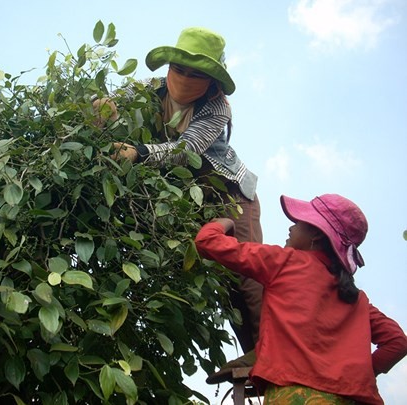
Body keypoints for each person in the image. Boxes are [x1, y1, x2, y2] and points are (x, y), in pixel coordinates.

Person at [99, 27, 264, 377]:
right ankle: (256, 352)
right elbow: (113, 105)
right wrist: (103, 108)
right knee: (221, 283)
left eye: (196, 73)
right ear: (169, 67)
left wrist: (139, 153)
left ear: (212, 81)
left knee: (248, 275)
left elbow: (185, 150)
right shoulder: (147, 90)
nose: (184, 79)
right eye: (180, 69)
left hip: (230, 196)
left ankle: (271, 349)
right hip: (190, 202)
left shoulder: (217, 107)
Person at [195, 193, 407, 404]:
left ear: (316, 234)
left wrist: (223, 222)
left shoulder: (286, 262)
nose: (291, 227)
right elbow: (397, 342)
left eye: (298, 221)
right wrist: (359, 374)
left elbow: (207, 242)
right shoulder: (356, 298)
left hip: (296, 395)